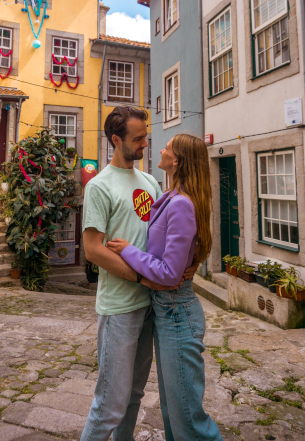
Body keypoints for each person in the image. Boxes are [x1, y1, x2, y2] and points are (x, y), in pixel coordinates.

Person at [80, 107, 196, 441]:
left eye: (146, 136)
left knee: (133, 397)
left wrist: (190, 260)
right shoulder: (99, 187)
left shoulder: (148, 181)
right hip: (119, 307)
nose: (146, 143)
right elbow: (93, 249)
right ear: (116, 140)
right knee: (108, 406)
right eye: (138, 138)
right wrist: (142, 278)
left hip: (153, 305)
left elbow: (167, 233)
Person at [107, 134, 223, 441]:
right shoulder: (171, 196)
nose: (160, 148)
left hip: (177, 312)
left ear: (178, 161)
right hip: (167, 311)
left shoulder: (181, 204)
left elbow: (171, 272)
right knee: (174, 411)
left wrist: (127, 251)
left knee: (187, 417)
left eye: (167, 148)